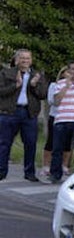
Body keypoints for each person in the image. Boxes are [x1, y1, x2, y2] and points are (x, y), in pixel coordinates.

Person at [0, 49, 49, 182]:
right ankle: (1, 171)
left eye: (27, 58)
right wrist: (15, 86)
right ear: (17, 60)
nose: (25, 61)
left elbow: (43, 94)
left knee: (30, 144)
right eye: (22, 58)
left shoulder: (37, 75)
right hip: (9, 112)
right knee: (4, 143)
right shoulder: (6, 73)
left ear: (31, 60)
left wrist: (33, 85)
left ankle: (29, 173)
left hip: (29, 113)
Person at [40, 66, 69, 178]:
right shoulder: (54, 85)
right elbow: (52, 101)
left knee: (67, 143)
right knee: (51, 141)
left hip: (69, 117)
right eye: (67, 72)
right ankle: (46, 166)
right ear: (62, 74)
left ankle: (64, 166)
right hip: (56, 116)